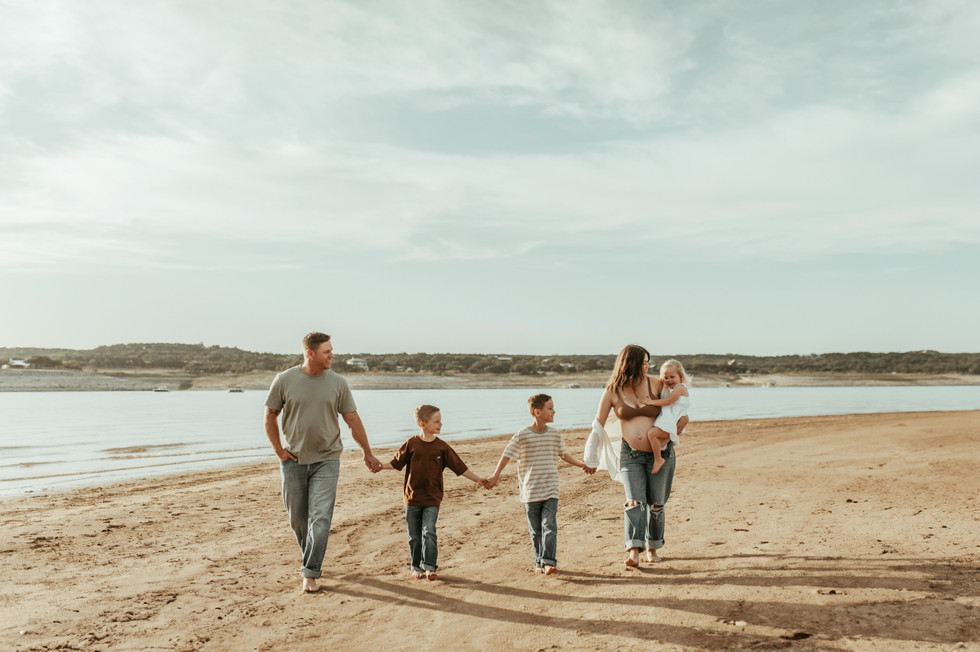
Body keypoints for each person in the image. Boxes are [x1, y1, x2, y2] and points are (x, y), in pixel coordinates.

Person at [264, 331, 382, 593]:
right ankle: (311, 557)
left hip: (327, 460)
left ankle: (310, 571)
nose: (332, 355)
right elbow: (270, 415)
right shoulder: (284, 380)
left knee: (321, 518)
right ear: (310, 353)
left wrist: (367, 452)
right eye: (327, 351)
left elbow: (352, 420)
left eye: (331, 350)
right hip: (293, 461)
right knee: (298, 519)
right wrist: (279, 451)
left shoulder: (338, 382)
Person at [584, 344, 688, 568]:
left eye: (647, 362)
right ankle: (634, 551)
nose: (646, 366)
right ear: (629, 363)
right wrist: (591, 458)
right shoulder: (612, 390)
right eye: (642, 362)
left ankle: (652, 548)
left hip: (661, 453)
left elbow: (678, 410)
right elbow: (598, 425)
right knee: (634, 501)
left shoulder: (657, 384)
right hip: (630, 454)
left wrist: (675, 432)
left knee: (657, 504)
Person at [486, 394, 595, 575]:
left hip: (551, 488)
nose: (554, 411)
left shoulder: (555, 434)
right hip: (530, 491)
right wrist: (495, 476)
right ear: (538, 412)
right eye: (550, 408)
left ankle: (549, 562)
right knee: (536, 531)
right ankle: (539, 562)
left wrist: (583, 464)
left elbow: (564, 455)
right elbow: (507, 455)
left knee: (549, 526)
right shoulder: (522, 435)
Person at [378, 404, 489, 581]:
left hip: (432, 498)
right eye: (436, 422)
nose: (441, 424)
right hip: (412, 498)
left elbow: (460, 468)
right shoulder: (411, 444)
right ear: (423, 424)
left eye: (440, 421)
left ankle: (430, 567)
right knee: (414, 536)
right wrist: (380, 466)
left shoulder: (442, 447)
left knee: (429, 531)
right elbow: (396, 463)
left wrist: (478, 479)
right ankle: (416, 567)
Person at [641, 359, 691, 474]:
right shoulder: (674, 389)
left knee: (652, 434)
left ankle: (658, 459)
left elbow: (668, 401)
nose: (668, 380)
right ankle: (659, 457)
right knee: (654, 435)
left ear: (681, 376)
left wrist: (650, 402)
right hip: (673, 422)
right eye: (666, 377)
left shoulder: (679, 388)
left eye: (672, 377)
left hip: (674, 423)